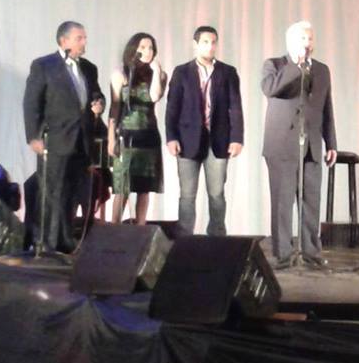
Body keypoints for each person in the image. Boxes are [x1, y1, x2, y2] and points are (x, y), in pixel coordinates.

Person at [22, 21, 105, 253]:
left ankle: (65, 239)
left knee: (72, 192)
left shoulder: (89, 68)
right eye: (79, 38)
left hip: (81, 140)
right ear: (63, 41)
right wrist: (33, 136)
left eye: (84, 37)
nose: (84, 42)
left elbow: (96, 93)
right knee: (51, 192)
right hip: (55, 138)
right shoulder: (44, 66)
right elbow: (31, 103)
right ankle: (46, 242)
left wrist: (99, 103)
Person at [261, 21, 337, 268]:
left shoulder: (322, 70)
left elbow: (326, 107)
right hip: (282, 145)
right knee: (282, 203)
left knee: (311, 202)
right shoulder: (275, 65)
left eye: (310, 39)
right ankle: (283, 254)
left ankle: (312, 252)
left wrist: (331, 142)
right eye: (302, 39)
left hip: (312, 144)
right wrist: (296, 66)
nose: (307, 44)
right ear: (291, 42)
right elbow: (271, 89)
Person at [165, 25, 244, 236]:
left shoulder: (227, 72)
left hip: (218, 140)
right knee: (187, 195)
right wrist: (171, 137)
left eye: (213, 42)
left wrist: (237, 138)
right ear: (196, 44)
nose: (210, 46)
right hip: (187, 140)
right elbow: (172, 108)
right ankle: (184, 239)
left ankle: (217, 238)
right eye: (205, 42)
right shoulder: (182, 72)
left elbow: (235, 107)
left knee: (217, 194)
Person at [107, 33, 168, 225]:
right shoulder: (121, 73)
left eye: (151, 48)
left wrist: (156, 71)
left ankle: (141, 228)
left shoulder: (160, 74)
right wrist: (111, 138)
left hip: (148, 134)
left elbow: (154, 97)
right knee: (123, 187)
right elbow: (115, 107)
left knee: (145, 188)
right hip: (126, 134)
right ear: (133, 49)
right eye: (143, 47)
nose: (147, 51)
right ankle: (114, 228)